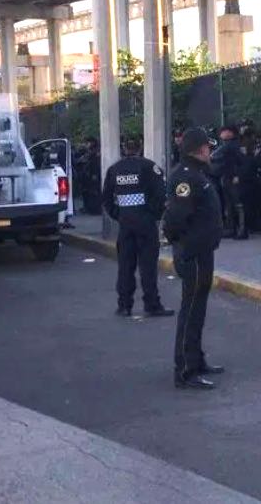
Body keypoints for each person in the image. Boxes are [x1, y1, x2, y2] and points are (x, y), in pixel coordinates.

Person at [163, 127, 225, 391]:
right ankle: (185, 370)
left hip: (201, 251)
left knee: (198, 308)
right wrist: (183, 244)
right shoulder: (186, 178)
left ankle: (196, 360)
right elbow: (176, 218)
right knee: (190, 310)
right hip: (193, 253)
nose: (210, 151)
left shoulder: (198, 174)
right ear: (199, 149)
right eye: (207, 148)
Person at [102, 138, 174, 318]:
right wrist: (153, 215)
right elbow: (161, 194)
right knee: (148, 266)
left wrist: (118, 214)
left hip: (125, 224)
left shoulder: (114, 170)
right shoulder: (149, 167)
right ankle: (151, 304)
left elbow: (106, 198)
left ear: (123, 149)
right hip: (145, 223)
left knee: (125, 266)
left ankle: (124, 305)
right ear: (140, 148)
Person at [211, 126, 247, 239]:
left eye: (225, 132)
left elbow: (242, 162)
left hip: (233, 177)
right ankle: (232, 228)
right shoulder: (227, 145)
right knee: (230, 204)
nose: (222, 134)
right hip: (227, 176)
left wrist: (238, 175)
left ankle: (241, 229)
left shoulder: (232, 145)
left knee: (237, 204)